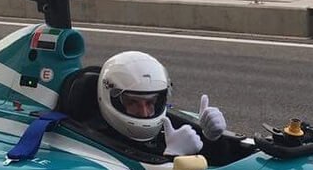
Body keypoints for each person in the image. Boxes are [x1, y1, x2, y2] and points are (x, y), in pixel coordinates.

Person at [96, 51, 226, 157]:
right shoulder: (97, 145)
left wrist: (212, 138)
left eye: (151, 102)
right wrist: (173, 156)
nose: (144, 112)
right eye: (133, 102)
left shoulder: (168, 130)